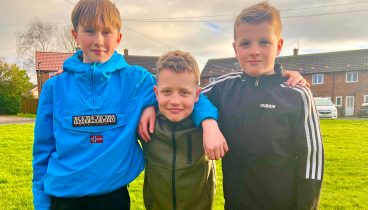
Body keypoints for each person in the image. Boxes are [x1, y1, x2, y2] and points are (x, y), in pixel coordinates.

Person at [32, 1, 227, 210]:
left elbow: (186, 93)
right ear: (75, 34)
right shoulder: (55, 86)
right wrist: (41, 203)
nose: (98, 40)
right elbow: (42, 149)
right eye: (89, 31)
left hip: (113, 198)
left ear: (119, 37)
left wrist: (209, 124)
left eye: (106, 32)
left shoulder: (136, 80)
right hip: (64, 198)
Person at [201, 2, 324, 209]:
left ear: (279, 45)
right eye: (245, 43)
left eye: (264, 42)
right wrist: (209, 123)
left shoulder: (297, 94)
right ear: (235, 48)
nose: (254, 51)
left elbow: (311, 158)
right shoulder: (224, 88)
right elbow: (190, 98)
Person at [141, 50, 216, 210]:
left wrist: (281, 79)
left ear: (196, 95)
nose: (175, 101)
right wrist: (147, 107)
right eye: (167, 91)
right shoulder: (146, 123)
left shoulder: (206, 125)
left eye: (184, 92)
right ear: (156, 92)